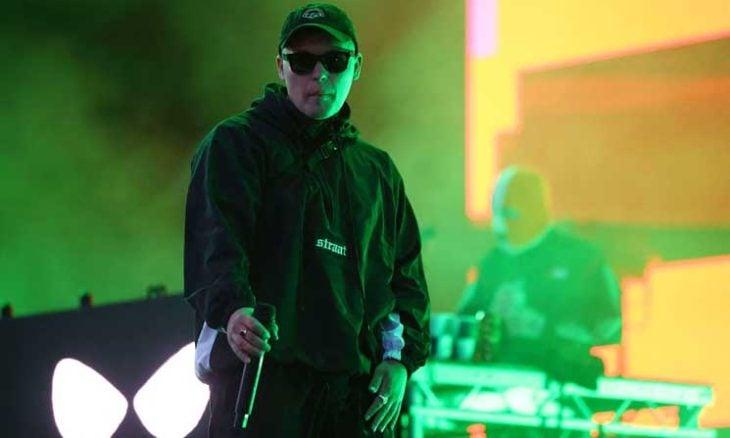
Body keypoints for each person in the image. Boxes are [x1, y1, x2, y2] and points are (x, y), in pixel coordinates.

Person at [184, 3, 430, 437]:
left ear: (357, 66)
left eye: (335, 60)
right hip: (262, 385)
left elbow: (403, 279)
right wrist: (235, 311)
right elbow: (215, 245)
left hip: (355, 398)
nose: (320, 75)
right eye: (302, 61)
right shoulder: (236, 145)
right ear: (281, 67)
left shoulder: (377, 172)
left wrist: (398, 361)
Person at [458, 166, 622, 384]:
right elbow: (462, 326)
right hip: (496, 384)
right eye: (496, 214)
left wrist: (543, 327)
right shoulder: (492, 263)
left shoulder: (582, 258)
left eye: (510, 213)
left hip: (562, 388)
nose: (500, 226)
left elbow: (612, 326)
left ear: (536, 209)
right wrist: (490, 319)